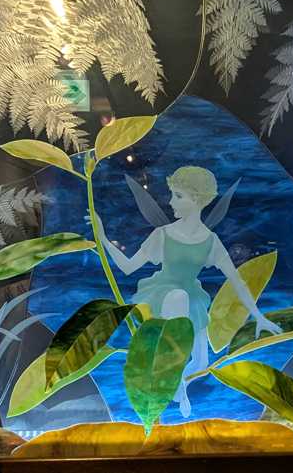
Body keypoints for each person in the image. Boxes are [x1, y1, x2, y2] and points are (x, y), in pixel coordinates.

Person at [91, 165, 281, 417]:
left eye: (178, 196)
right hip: (162, 294)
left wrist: (258, 316)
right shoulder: (163, 234)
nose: (170, 202)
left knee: (201, 362)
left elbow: (237, 281)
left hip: (192, 299)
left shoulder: (211, 241)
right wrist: (103, 239)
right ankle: (175, 382)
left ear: (198, 200)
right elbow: (128, 267)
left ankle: (174, 384)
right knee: (179, 297)